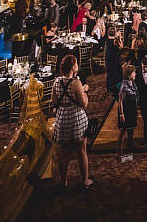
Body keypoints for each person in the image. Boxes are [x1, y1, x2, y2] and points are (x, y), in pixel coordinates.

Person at [51, 55, 95, 190]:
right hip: (76, 118)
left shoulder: (56, 81)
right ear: (72, 67)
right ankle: (85, 181)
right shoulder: (76, 83)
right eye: (76, 63)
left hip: (63, 118)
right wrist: (85, 91)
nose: (78, 65)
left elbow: (54, 102)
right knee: (82, 150)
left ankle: (63, 181)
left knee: (63, 151)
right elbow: (84, 104)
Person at [117, 64, 139, 157]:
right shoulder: (124, 85)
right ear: (129, 74)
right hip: (125, 110)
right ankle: (120, 151)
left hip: (132, 109)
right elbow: (120, 100)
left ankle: (130, 148)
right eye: (134, 73)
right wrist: (122, 114)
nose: (135, 74)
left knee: (131, 130)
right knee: (123, 131)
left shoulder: (133, 83)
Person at [105, 26, 124, 96]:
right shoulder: (115, 42)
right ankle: (113, 88)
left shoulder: (108, 40)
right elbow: (121, 47)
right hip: (115, 61)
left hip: (109, 60)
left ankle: (109, 87)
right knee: (116, 75)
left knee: (110, 73)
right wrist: (120, 37)